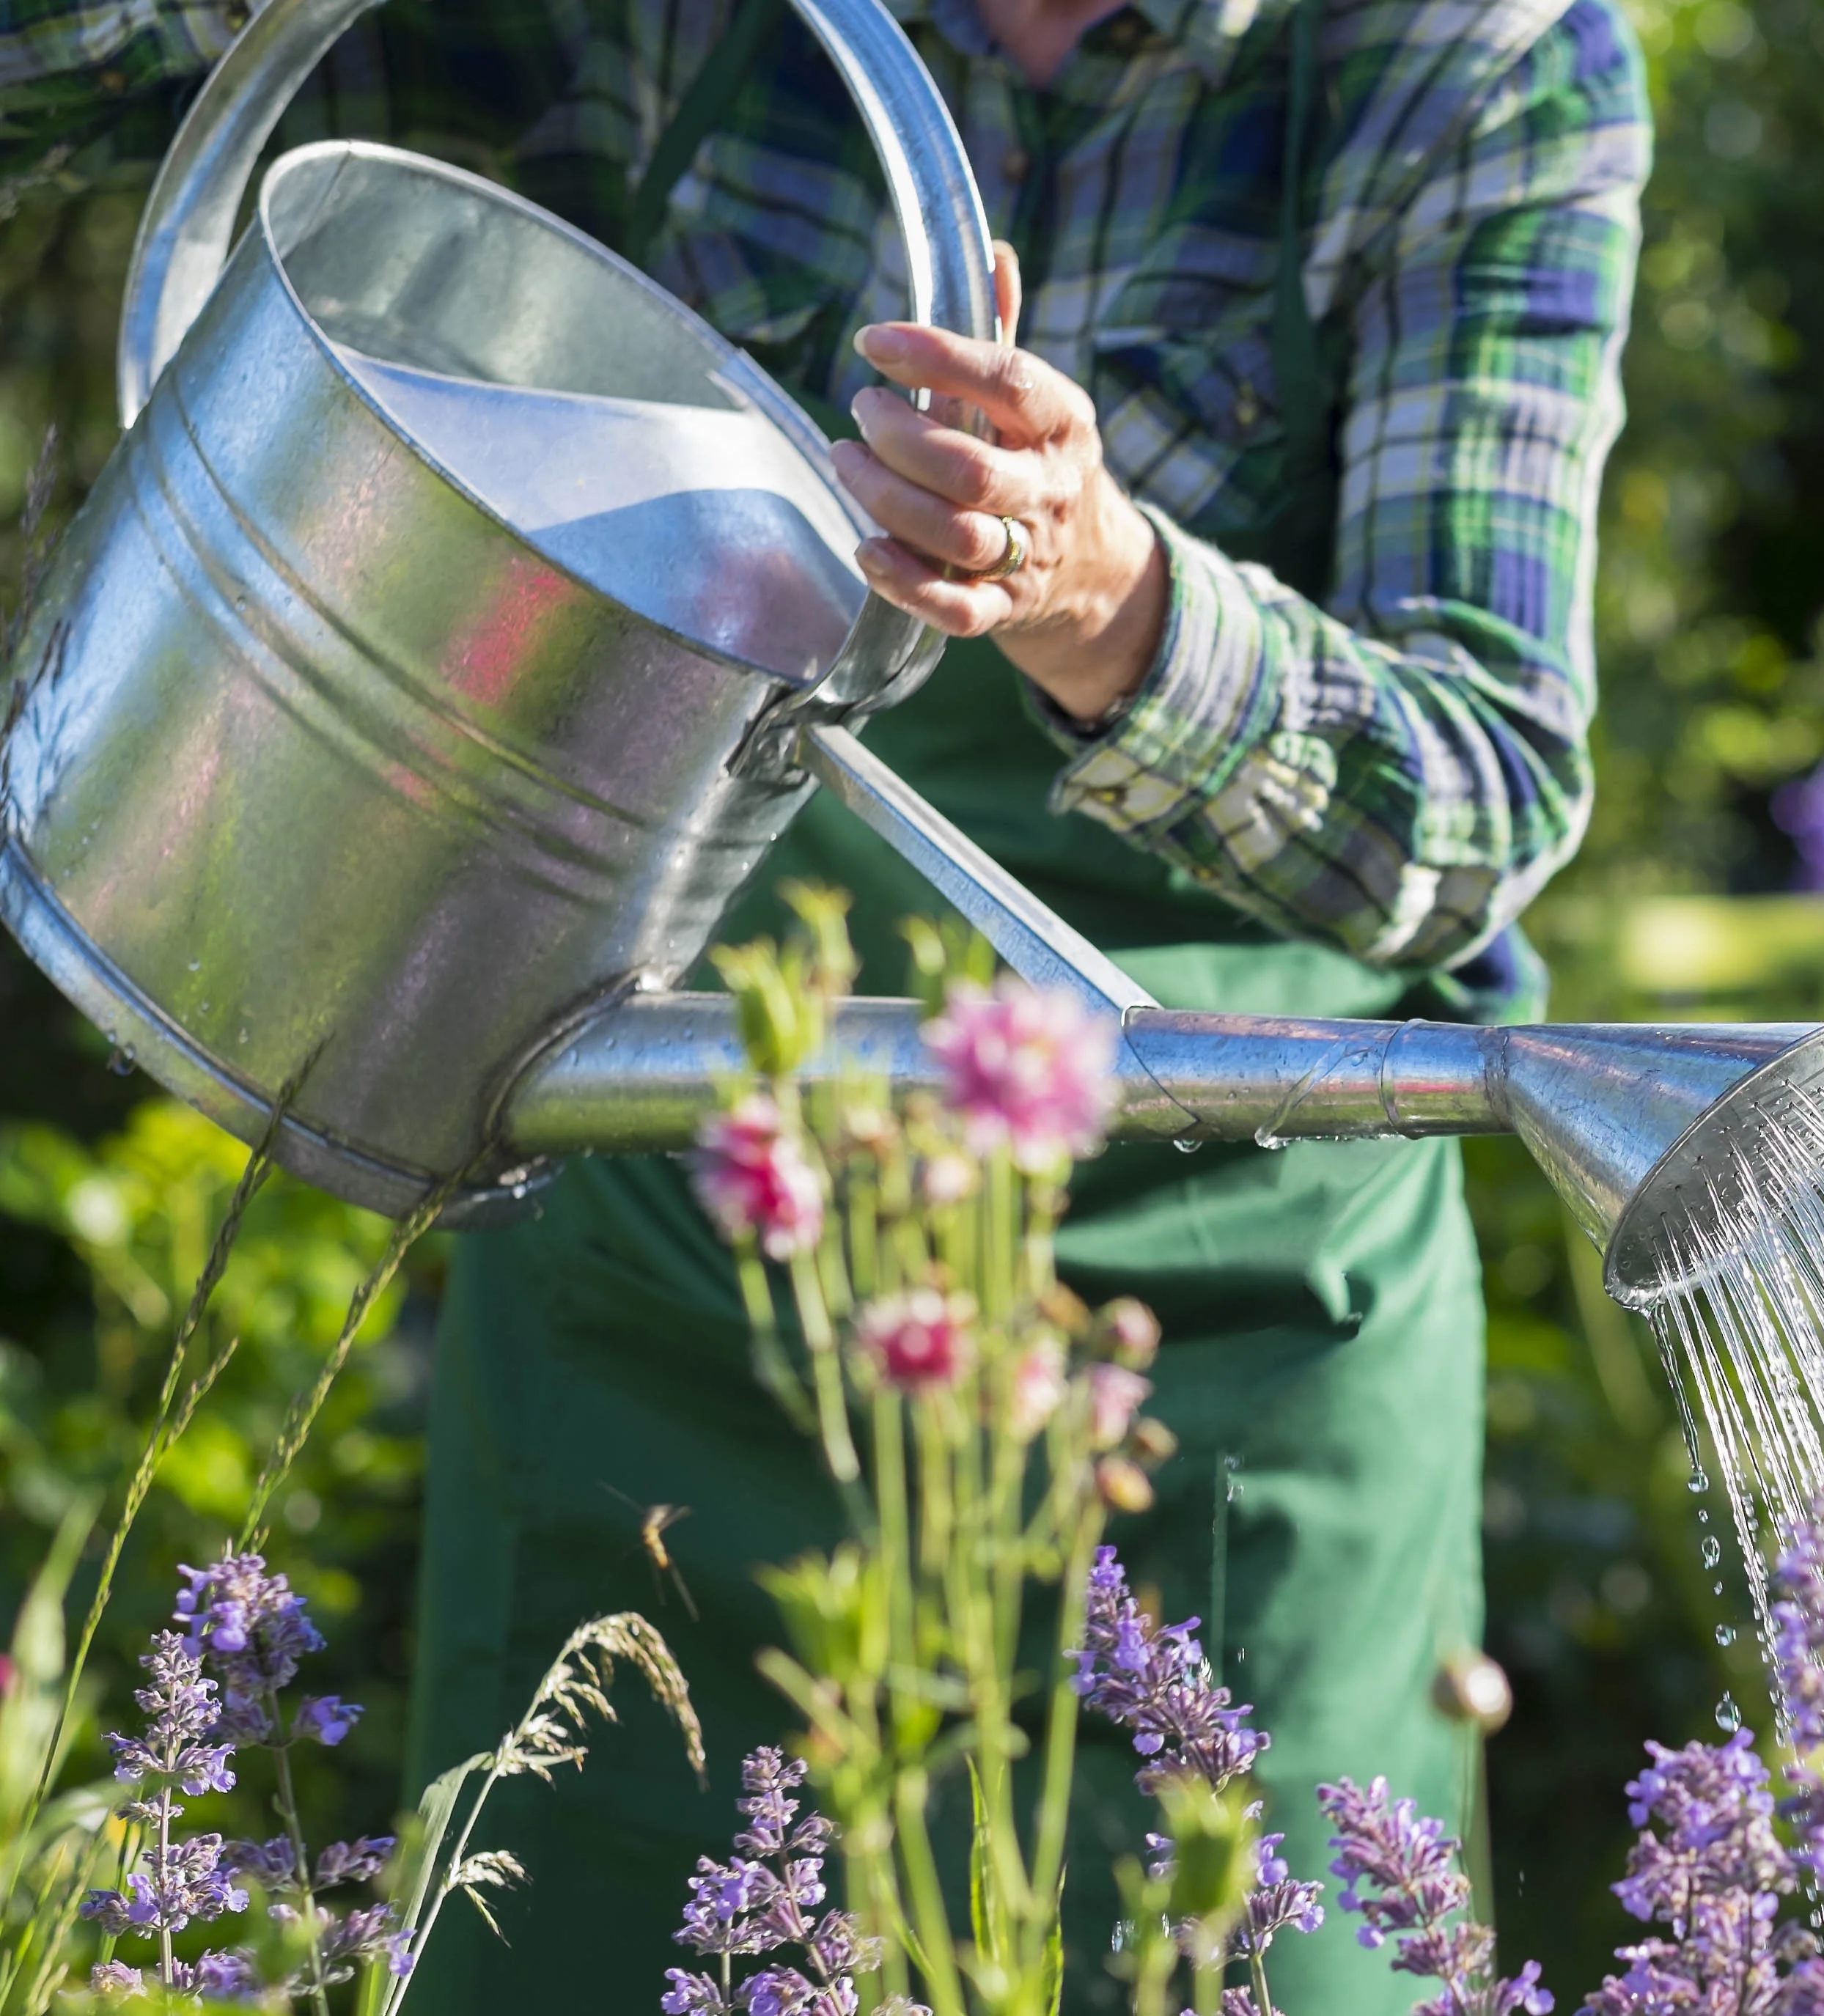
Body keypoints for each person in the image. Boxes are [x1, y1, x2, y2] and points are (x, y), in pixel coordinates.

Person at [0, 0, 1644, 2006]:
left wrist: (1109, 597)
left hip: (1213, 1354)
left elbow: (1471, 802)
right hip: (673, 1271)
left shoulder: (1470, 59)